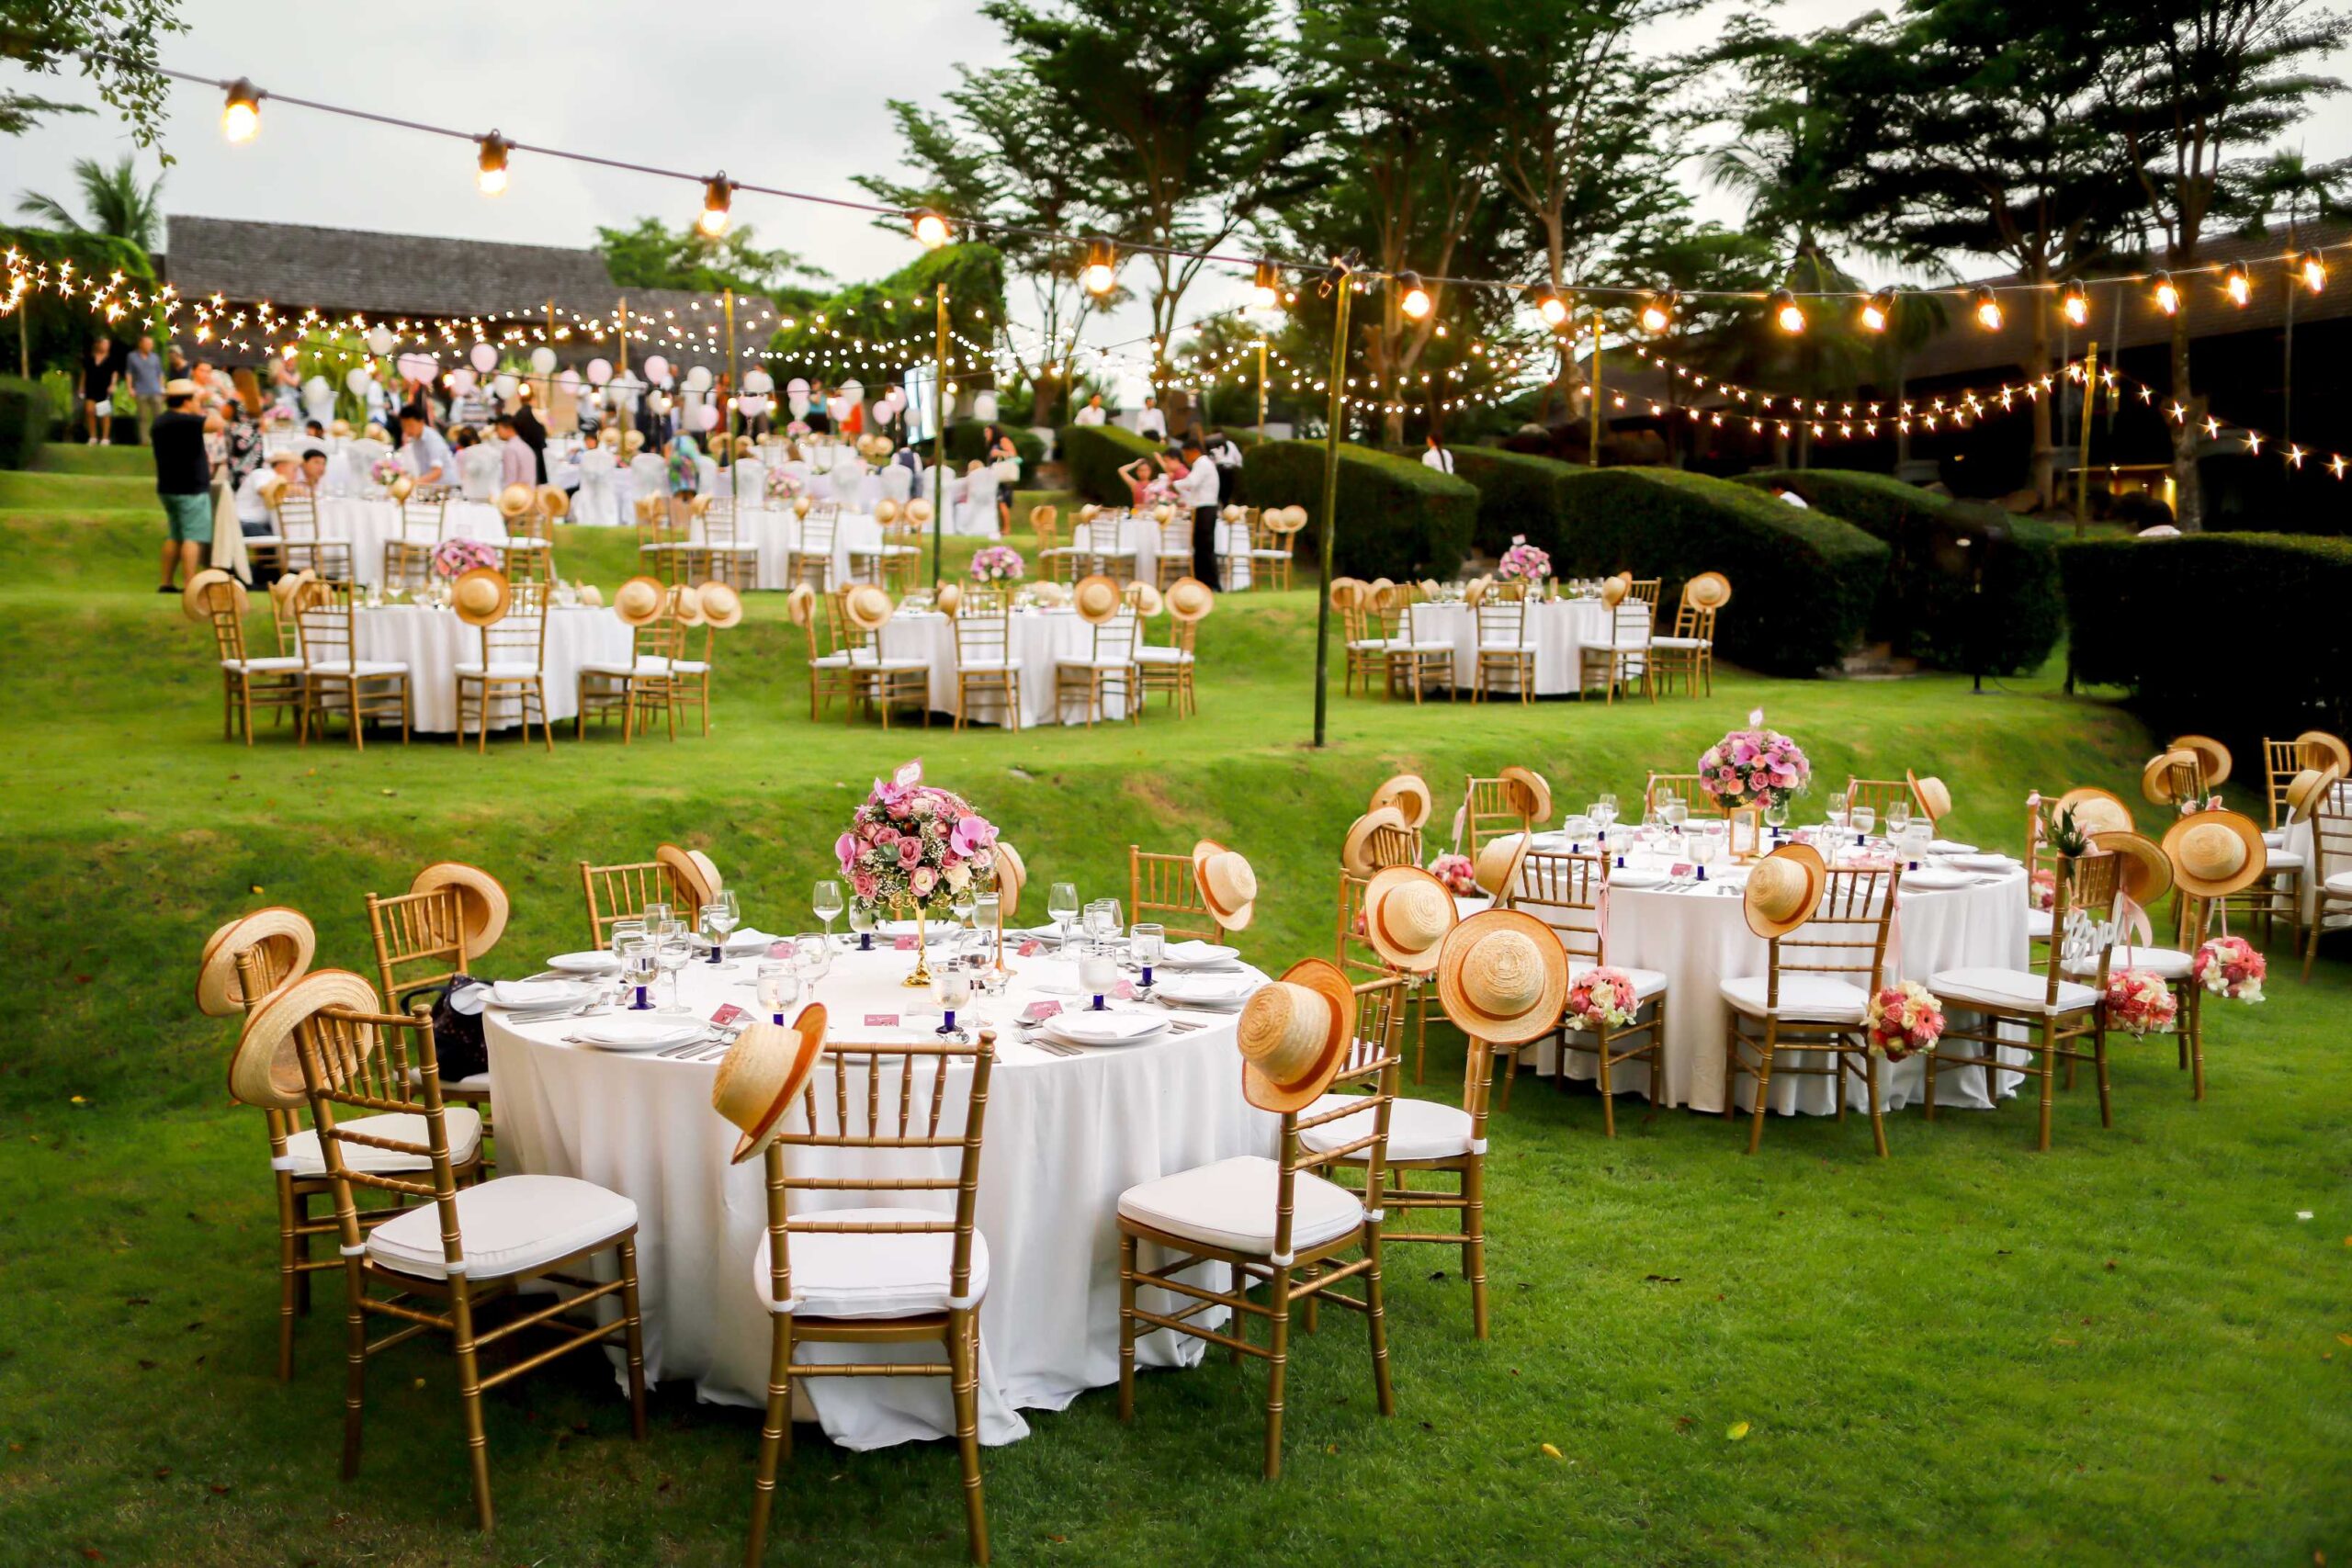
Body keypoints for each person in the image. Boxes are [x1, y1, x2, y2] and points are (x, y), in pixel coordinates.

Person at [151, 379, 211, 592]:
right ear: (187, 401)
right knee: (193, 537)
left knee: (175, 535)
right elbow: (218, 423)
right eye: (195, 399)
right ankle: (190, 584)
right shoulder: (188, 422)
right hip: (191, 487)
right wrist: (207, 404)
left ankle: (166, 582)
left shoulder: (160, 422)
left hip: (168, 487)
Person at [1175, 434, 1223, 592]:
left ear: (1194, 451)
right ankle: (1201, 581)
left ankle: (1212, 584)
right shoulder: (1203, 464)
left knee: (1205, 547)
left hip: (1206, 509)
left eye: (1186, 454)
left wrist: (1174, 485)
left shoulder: (1202, 463)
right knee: (1200, 547)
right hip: (1202, 508)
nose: (1185, 459)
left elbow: (1191, 482)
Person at [83, 335, 123, 446]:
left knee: (104, 413)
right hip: (91, 387)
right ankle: (93, 437)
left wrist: (113, 385)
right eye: (104, 344)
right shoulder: (90, 359)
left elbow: (115, 373)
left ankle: (105, 438)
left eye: (107, 344)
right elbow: (85, 373)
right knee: (90, 411)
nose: (106, 346)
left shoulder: (111, 359)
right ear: (98, 344)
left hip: (104, 389)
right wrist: (81, 386)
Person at [126, 335, 165, 445]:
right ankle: (144, 441)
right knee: (143, 418)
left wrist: (162, 388)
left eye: (151, 344)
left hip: (155, 390)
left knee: (158, 417)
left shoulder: (155, 357)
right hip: (140, 390)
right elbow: (129, 373)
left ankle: (159, 439)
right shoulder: (132, 357)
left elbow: (160, 374)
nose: (150, 346)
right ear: (141, 344)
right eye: (147, 344)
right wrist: (130, 388)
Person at [399, 409, 452, 484]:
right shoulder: (415, 439)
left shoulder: (432, 439)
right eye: (404, 426)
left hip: (447, 486)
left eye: (410, 425)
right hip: (432, 486)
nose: (407, 430)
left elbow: (437, 472)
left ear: (421, 422)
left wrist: (412, 483)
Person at [511, 389, 549, 482]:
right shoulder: (537, 413)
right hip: (536, 451)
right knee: (536, 477)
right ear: (533, 399)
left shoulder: (517, 415)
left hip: (522, 451)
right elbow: (549, 428)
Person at [454, 426, 500, 502]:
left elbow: (461, 474)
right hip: (487, 493)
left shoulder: (462, 454)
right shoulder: (490, 451)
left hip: (471, 493)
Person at [494, 412, 536, 489]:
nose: (497, 432)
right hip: (528, 491)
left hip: (516, 493)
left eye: (498, 428)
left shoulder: (510, 449)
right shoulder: (525, 447)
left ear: (509, 427)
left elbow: (510, 478)